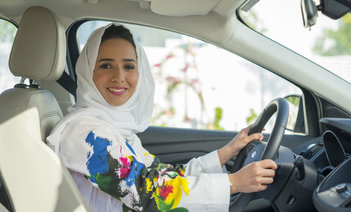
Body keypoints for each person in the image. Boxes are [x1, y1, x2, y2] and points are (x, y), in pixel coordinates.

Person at [47, 23, 277, 212]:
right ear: (87, 72)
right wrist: (233, 182)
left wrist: (224, 153)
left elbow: (160, 176)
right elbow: (149, 193)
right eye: (106, 65)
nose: (119, 77)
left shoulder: (114, 129)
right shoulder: (84, 134)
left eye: (129, 66)